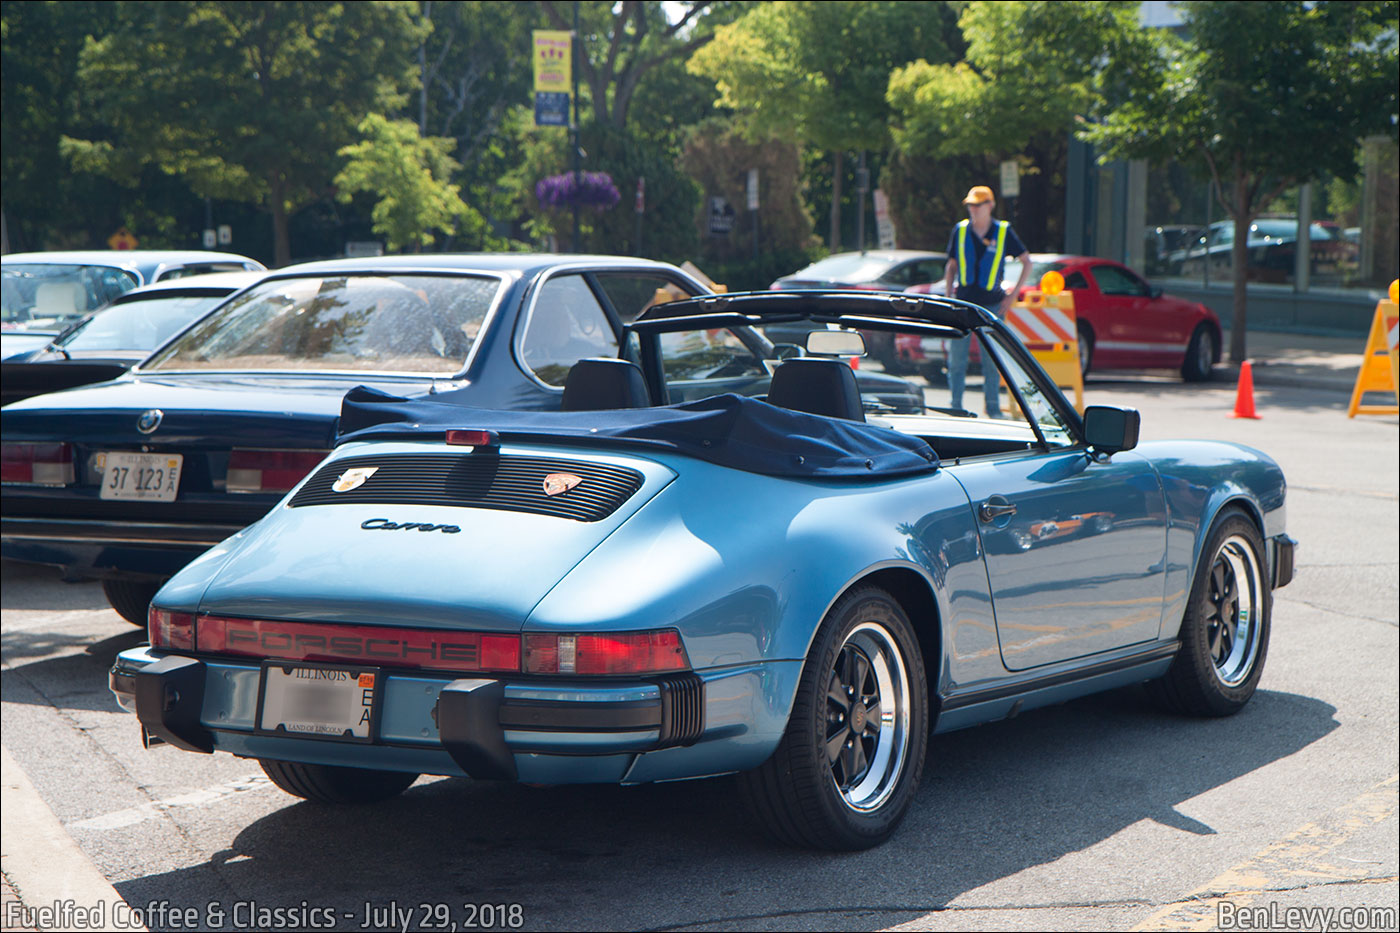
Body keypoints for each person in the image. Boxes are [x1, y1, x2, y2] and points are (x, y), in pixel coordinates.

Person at [943, 185, 1031, 416]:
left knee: (992, 361)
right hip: (962, 305)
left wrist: (1012, 296)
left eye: (978, 205)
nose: (974, 209)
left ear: (990, 205)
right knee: (957, 362)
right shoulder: (960, 230)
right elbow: (951, 265)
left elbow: (1026, 262)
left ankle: (993, 409)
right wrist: (947, 293)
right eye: (971, 205)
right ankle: (955, 408)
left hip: (992, 306)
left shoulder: (1002, 231)